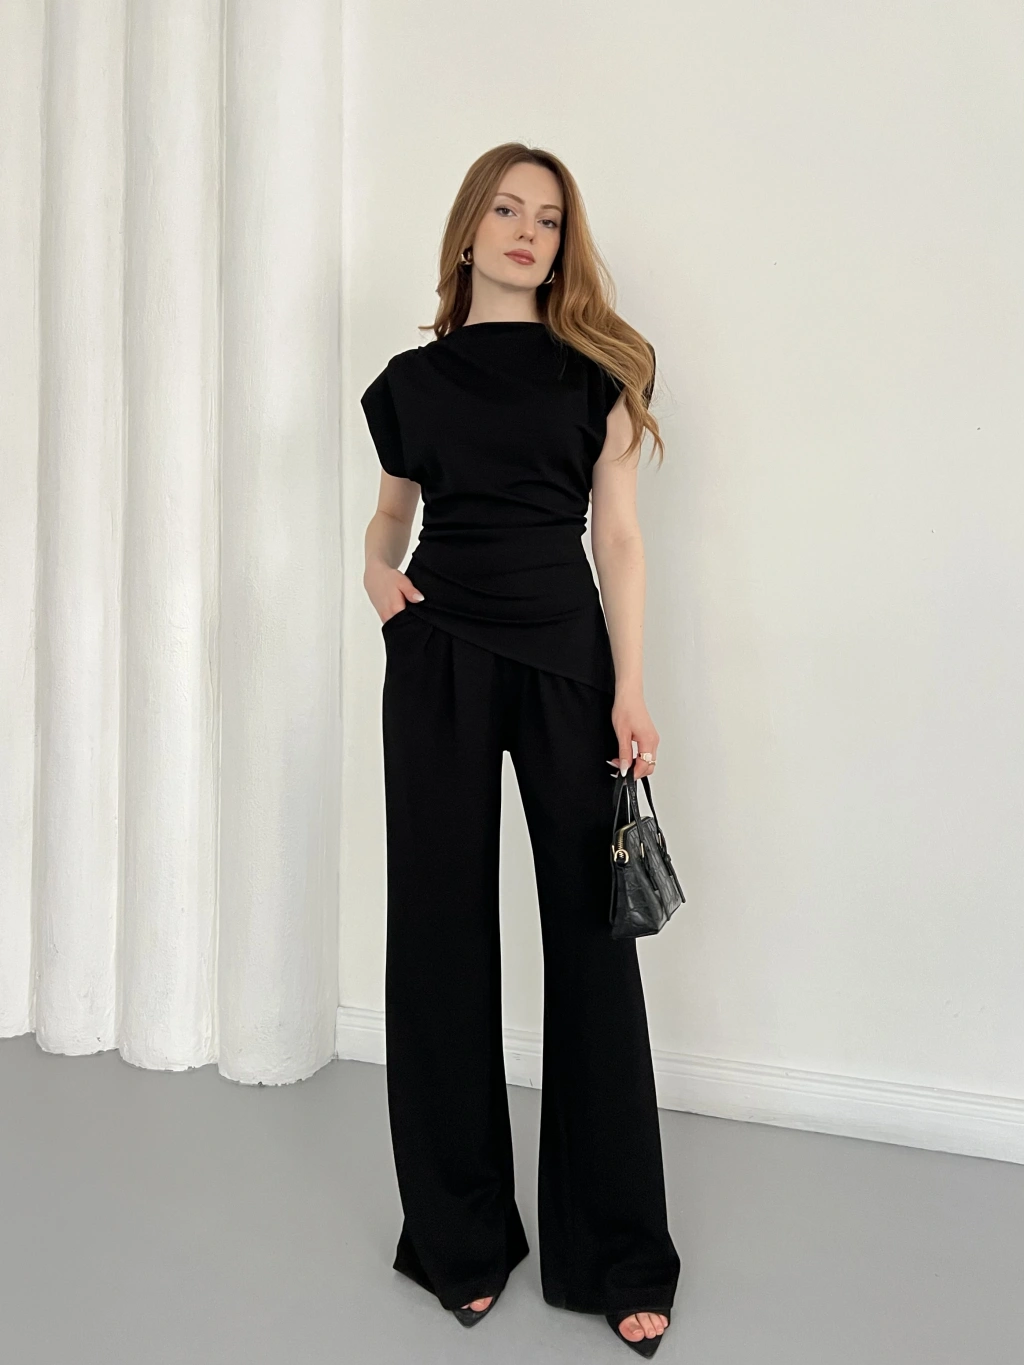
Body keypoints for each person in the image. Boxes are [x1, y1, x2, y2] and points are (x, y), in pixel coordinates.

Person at [360, 141, 680, 1358]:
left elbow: (620, 540)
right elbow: (391, 513)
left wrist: (630, 687)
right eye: (505, 209)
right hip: (437, 656)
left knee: (593, 948)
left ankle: (617, 1251)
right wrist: (379, 580)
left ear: (561, 245)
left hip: (567, 664)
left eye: (547, 218)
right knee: (437, 936)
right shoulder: (408, 384)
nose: (526, 231)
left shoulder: (596, 375)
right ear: (467, 229)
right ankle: (459, 1237)